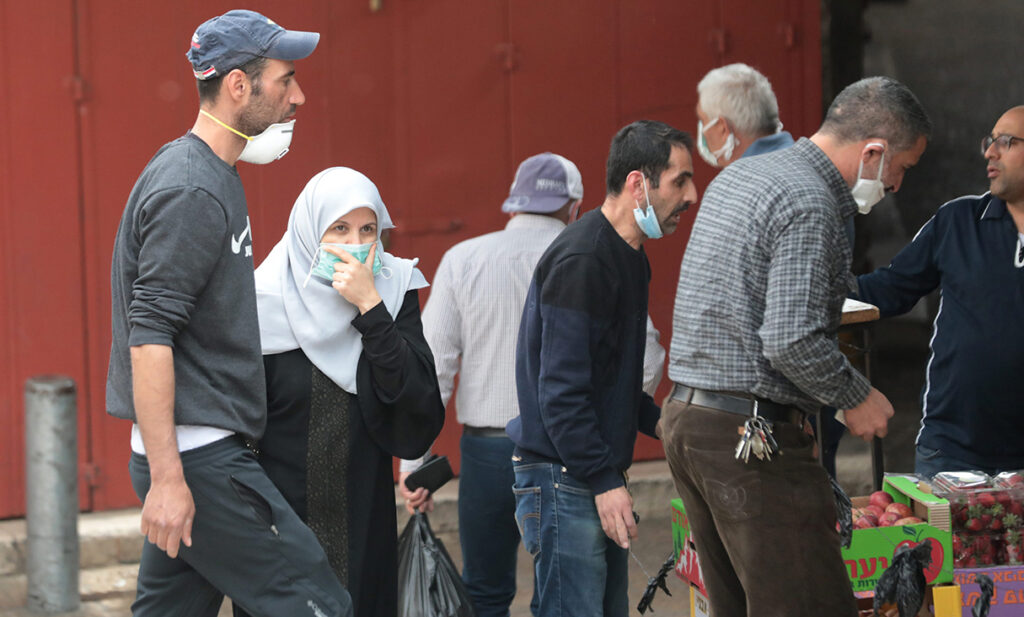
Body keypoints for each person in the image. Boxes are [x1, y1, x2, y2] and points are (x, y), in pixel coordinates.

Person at [106, 9, 354, 617]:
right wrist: (169, 479)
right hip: (199, 461)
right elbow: (150, 335)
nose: (298, 96)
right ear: (239, 86)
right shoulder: (191, 189)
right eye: (285, 80)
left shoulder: (210, 174)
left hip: (198, 454)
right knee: (319, 604)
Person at [662, 76, 931, 617]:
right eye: (901, 169)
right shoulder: (810, 202)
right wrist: (856, 396)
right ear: (873, 153)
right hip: (749, 439)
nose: (896, 185)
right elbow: (790, 339)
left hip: (689, 421)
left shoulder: (742, 176)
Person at [396, 152, 667, 617]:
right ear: (575, 207)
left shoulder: (463, 259)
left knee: (485, 593)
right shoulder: (592, 255)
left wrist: (412, 463)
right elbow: (649, 356)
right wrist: (611, 413)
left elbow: (433, 365)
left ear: (513, 203)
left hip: (485, 454)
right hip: (566, 456)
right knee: (563, 593)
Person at [508, 121, 698, 617]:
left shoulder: (630, 255)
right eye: (680, 181)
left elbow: (611, 381)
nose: (691, 195)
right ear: (638, 184)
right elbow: (562, 393)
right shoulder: (584, 259)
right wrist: (603, 480)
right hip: (564, 477)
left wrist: (668, 424)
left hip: (589, 472)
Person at [244, 167, 445, 617]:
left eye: (367, 230)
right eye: (339, 229)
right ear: (309, 232)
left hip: (363, 515)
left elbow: (417, 403)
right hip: (280, 519)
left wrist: (371, 307)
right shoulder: (261, 300)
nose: (355, 244)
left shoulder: (394, 288)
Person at [856, 105, 1024, 479]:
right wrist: (817, 290)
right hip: (952, 451)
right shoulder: (959, 221)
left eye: (1006, 142)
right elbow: (890, 289)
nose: (990, 152)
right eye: (990, 141)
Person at [695, 63, 794, 168]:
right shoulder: (802, 161)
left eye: (703, 120)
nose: (702, 131)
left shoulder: (736, 177)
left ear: (723, 129)